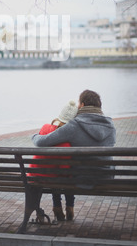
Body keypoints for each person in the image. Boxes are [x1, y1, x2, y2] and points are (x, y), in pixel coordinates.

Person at [32, 90, 116, 220]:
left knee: (60, 168)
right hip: (106, 178)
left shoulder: (74, 126)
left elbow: (42, 142)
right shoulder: (111, 126)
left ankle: (58, 206)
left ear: (82, 105)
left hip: (81, 179)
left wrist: (35, 136)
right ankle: (68, 207)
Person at [30, 100, 78, 221]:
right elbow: (65, 171)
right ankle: (69, 206)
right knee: (65, 176)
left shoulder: (45, 128)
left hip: (34, 175)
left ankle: (57, 206)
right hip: (51, 177)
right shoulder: (66, 144)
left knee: (54, 174)